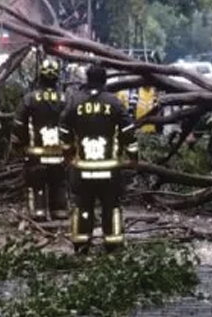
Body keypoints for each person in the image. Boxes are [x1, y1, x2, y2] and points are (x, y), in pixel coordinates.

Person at [60, 64, 138, 254]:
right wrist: (133, 157)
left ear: (87, 79)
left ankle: (81, 245)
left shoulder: (74, 101)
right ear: (104, 80)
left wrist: (68, 153)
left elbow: (63, 129)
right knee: (111, 207)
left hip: (83, 169)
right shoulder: (114, 102)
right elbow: (128, 132)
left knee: (83, 207)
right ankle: (112, 245)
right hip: (110, 171)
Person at [13, 56, 69, 221]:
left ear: (40, 76)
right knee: (59, 184)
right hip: (59, 155)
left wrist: (20, 144)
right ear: (57, 77)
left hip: (36, 155)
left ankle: (39, 213)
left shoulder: (29, 99)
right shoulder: (66, 99)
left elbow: (18, 124)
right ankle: (60, 211)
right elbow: (74, 124)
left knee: (36, 183)